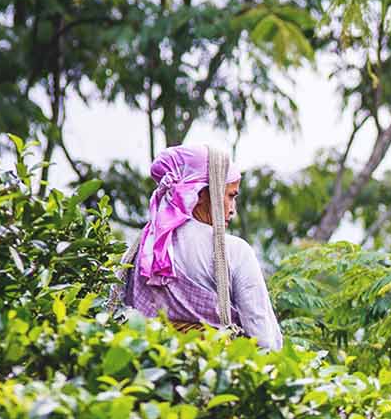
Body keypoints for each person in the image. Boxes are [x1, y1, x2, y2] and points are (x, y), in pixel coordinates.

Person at [121, 144, 282, 349]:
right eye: (231, 196)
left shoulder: (142, 252)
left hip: (152, 363)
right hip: (215, 366)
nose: (232, 210)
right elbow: (264, 341)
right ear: (202, 194)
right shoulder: (235, 252)